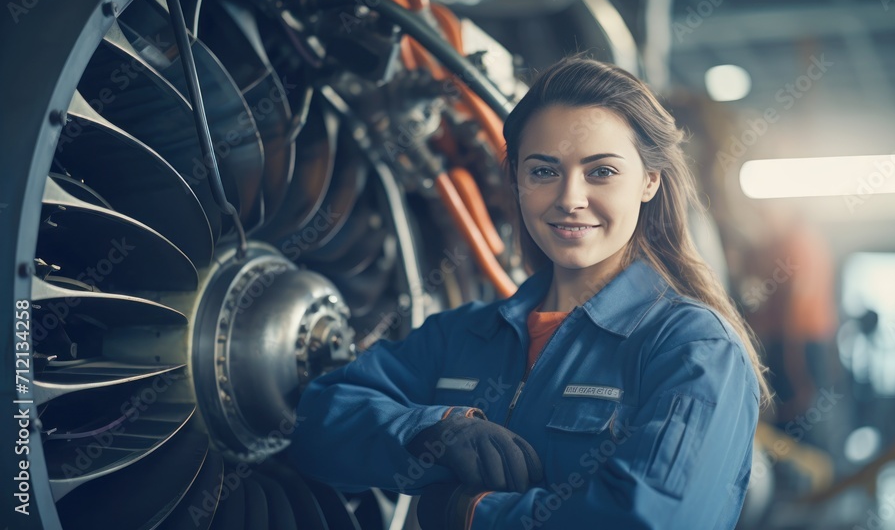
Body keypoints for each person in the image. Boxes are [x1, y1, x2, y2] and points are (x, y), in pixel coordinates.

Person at [289, 57, 771, 529]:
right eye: (544, 171)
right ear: (517, 180)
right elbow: (314, 423)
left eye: (601, 171)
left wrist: (468, 513)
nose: (569, 198)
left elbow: (651, 519)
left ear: (649, 181)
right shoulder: (463, 334)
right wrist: (432, 430)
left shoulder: (693, 348)